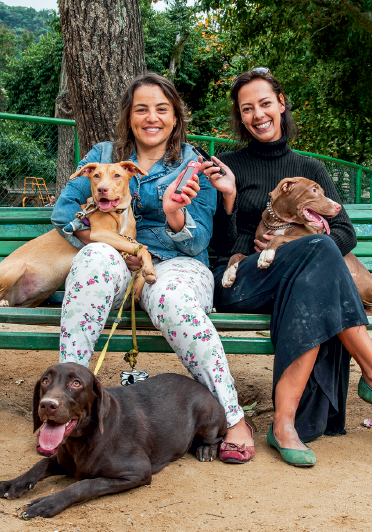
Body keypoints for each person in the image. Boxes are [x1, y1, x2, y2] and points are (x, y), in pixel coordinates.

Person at [200, 67, 372, 467]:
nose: (258, 114)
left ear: (281, 104)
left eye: (264, 103)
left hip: (302, 284)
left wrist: (293, 240)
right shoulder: (226, 166)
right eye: (247, 109)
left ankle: (284, 424)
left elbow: (345, 233)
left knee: (319, 251)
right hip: (241, 279)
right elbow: (217, 247)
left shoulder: (310, 169)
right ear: (240, 117)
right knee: (318, 251)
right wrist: (230, 199)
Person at [50, 72, 255, 463]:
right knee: (93, 259)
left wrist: (174, 215)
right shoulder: (102, 157)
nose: (151, 117)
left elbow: (198, 241)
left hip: (176, 265)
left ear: (175, 117)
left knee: (174, 299)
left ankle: (232, 417)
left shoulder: (193, 165)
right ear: (129, 116)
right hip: (114, 265)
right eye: (141, 109)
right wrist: (114, 244)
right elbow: (65, 215)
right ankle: (66, 408)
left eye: (162, 109)